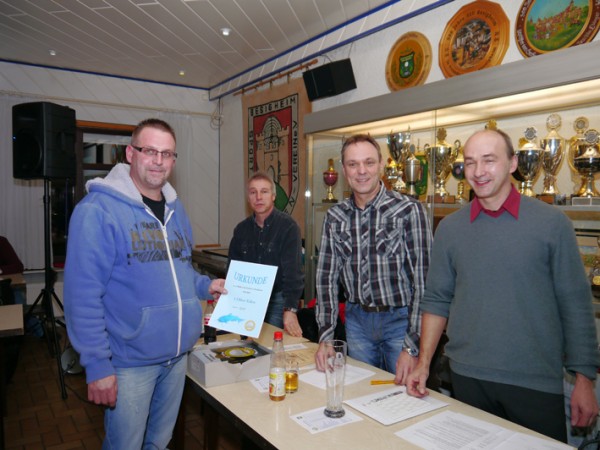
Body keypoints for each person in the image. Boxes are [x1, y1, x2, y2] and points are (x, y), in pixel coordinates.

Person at [406, 129, 599, 442]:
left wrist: (584, 379)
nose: (478, 171)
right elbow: (436, 300)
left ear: (513, 163)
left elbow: (575, 304)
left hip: (535, 382)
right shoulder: (450, 229)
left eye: (489, 160)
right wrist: (423, 363)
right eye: (470, 162)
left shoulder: (552, 224)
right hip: (466, 377)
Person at [64, 118, 226, 450]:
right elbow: (82, 295)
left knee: (159, 443)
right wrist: (97, 364)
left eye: (167, 154)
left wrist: (203, 286)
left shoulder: (176, 209)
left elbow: (179, 269)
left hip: (177, 356)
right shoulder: (97, 210)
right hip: (130, 363)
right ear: (130, 153)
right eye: (150, 151)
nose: (158, 161)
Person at [314, 134, 432, 381]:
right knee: (360, 392)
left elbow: (424, 283)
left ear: (380, 165)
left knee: (403, 394)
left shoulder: (409, 211)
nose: (361, 171)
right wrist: (326, 336)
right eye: (353, 164)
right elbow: (326, 280)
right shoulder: (335, 217)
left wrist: (413, 345)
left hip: (401, 322)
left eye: (368, 162)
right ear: (344, 170)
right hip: (357, 322)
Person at [228, 171, 304, 336]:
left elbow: (293, 273)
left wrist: (290, 309)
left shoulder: (288, 227)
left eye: (264, 191)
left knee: (271, 345)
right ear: (248, 198)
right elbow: (232, 270)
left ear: (273, 196)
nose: (258, 197)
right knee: (245, 344)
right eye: (253, 192)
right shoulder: (241, 230)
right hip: (246, 300)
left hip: (277, 302)